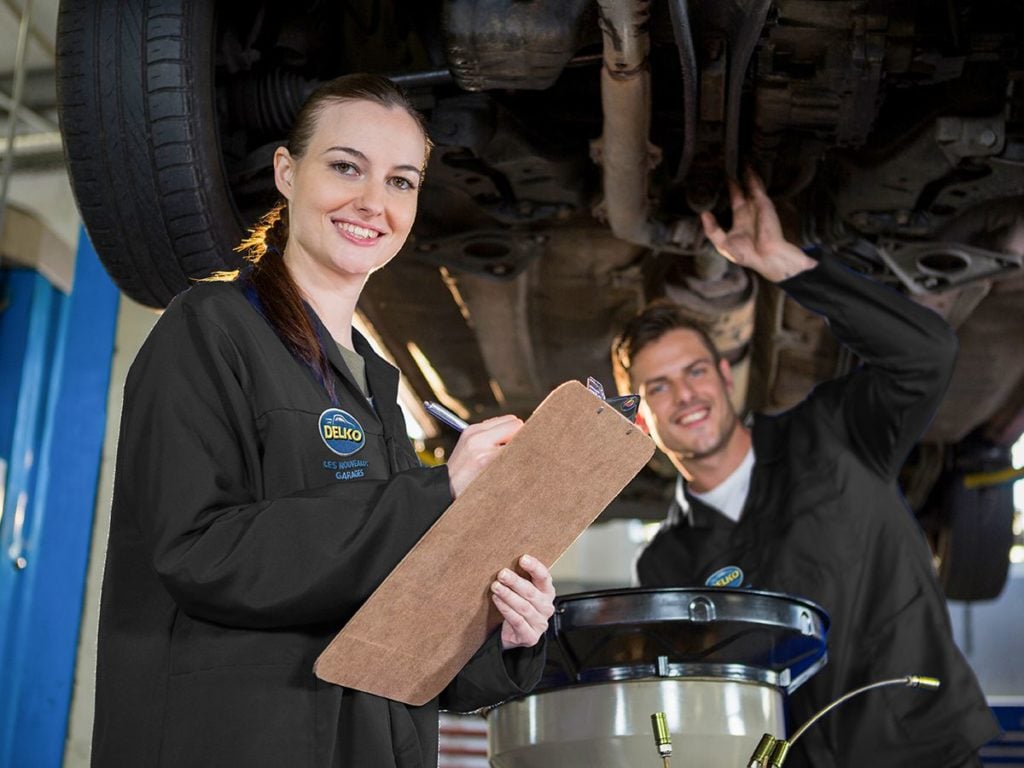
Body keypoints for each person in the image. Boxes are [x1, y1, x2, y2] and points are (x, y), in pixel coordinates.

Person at [92, 74, 555, 767]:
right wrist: (435, 495)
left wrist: (507, 632)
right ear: (286, 171)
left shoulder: (374, 385)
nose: (374, 202)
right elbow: (201, 551)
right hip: (236, 740)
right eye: (346, 167)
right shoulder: (210, 329)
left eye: (402, 182)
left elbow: (401, 640)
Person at [611, 172, 1000, 767]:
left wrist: (790, 266)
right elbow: (694, 704)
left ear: (723, 374)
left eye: (694, 371)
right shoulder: (665, 564)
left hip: (928, 753)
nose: (685, 395)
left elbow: (928, 355)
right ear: (640, 421)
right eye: (657, 387)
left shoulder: (833, 431)